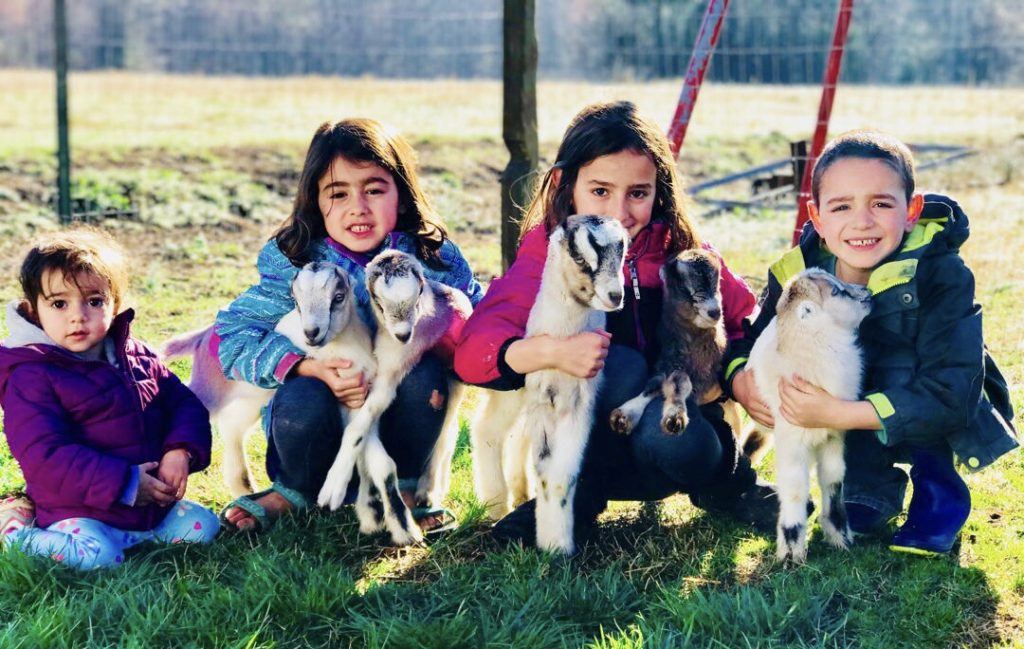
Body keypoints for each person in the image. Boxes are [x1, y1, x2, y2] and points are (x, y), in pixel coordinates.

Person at [455, 101, 778, 548]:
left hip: (673, 431)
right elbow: (474, 351)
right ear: (565, 186)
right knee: (617, 366)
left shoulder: (680, 250)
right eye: (601, 191)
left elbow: (745, 320)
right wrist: (547, 352)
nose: (620, 212)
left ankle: (729, 485)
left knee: (672, 430)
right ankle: (570, 501)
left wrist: (737, 378)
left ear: (659, 191)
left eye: (638, 193)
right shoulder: (552, 256)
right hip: (592, 440)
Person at [725, 130, 1017, 556]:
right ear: (818, 216)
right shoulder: (799, 275)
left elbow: (952, 387)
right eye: (841, 206)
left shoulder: (940, 272)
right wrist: (741, 382)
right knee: (840, 372)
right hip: (852, 400)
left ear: (911, 210)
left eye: (881, 203)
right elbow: (751, 338)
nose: (862, 221)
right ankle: (868, 489)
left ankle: (939, 497)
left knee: (898, 369)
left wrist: (838, 411)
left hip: (932, 393)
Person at [217, 118, 483, 533]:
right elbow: (234, 339)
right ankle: (294, 490)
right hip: (318, 426)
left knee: (423, 373)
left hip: (401, 421)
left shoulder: (432, 257)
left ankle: (407, 489)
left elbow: (477, 318)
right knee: (302, 394)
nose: (358, 207)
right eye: (338, 193)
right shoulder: (295, 261)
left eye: (374, 190)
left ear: (402, 194)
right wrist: (304, 366)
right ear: (314, 200)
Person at [0, 229, 218, 569]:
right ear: (34, 311)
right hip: (79, 510)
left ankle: (134, 537)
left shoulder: (136, 355)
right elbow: (46, 455)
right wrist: (126, 483)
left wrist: (181, 450)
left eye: (94, 301)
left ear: (115, 304)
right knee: (98, 557)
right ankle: (16, 533)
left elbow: (182, 403)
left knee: (204, 527)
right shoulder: (31, 375)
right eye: (59, 303)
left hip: (147, 511)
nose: (78, 315)